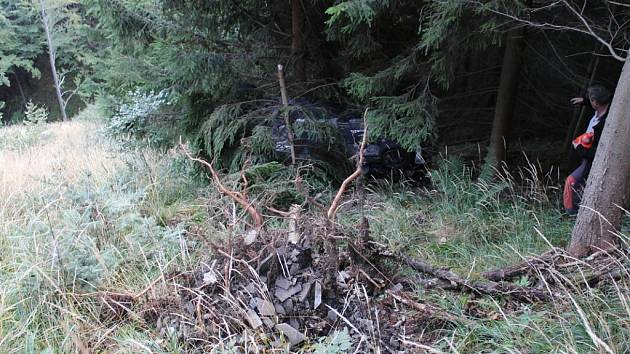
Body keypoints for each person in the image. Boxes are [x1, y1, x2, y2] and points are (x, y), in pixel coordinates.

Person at [563, 84, 611, 215]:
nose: (590, 102)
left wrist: (579, 148)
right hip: (586, 154)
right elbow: (600, 105)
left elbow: (599, 153)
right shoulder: (605, 108)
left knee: (572, 181)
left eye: (591, 100)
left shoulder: (605, 124)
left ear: (595, 102)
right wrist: (584, 101)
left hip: (591, 158)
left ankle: (572, 213)